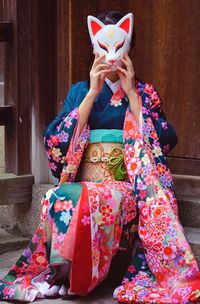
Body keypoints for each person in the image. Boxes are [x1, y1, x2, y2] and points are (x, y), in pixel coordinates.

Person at [0, 10, 200, 304]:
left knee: (87, 199)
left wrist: (132, 95)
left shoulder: (145, 92)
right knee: (59, 195)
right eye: (102, 47)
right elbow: (57, 140)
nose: (111, 55)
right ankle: (63, 274)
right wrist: (92, 92)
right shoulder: (80, 90)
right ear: (93, 48)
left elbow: (164, 141)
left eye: (119, 46)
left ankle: (77, 280)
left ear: (130, 47)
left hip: (126, 187)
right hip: (86, 183)